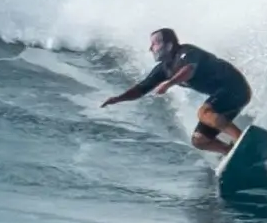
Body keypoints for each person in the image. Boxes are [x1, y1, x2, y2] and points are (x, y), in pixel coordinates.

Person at [101, 27, 252, 155]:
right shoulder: (163, 69)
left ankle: (242, 141)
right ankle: (231, 151)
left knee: (204, 113)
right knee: (199, 140)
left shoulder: (187, 52)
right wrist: (118, 99)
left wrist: (169, 84)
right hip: (226, 98)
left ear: (168, 44)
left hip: (235, 86)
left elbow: (189, 69)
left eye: (154, 44)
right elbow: (141, 89)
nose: (150, 48)